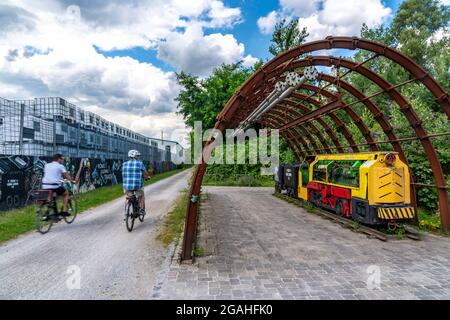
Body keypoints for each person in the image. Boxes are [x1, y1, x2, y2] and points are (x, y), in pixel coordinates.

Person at [41, 153, 76, 220]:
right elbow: (66, 175)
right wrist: (72, 181)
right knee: (65, 194)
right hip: (54, 185)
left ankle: (48, 213)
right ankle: (64, 211)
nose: (62, 160)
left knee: (50, 198)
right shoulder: (60, 166)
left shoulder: (47, 165)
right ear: (58, 159)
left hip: (45, 185)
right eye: (61, 159)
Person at [122, 150, 149, 218]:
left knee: (129, 197)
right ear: (135, 156)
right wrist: (147, 177)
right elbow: (145, 173)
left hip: (126, 185)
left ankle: (126, 212)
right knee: (141, 196)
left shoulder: (124, 164)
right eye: (137, 156)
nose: (138, 157)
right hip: (137, 185)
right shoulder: (140, 163)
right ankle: (142, 210)